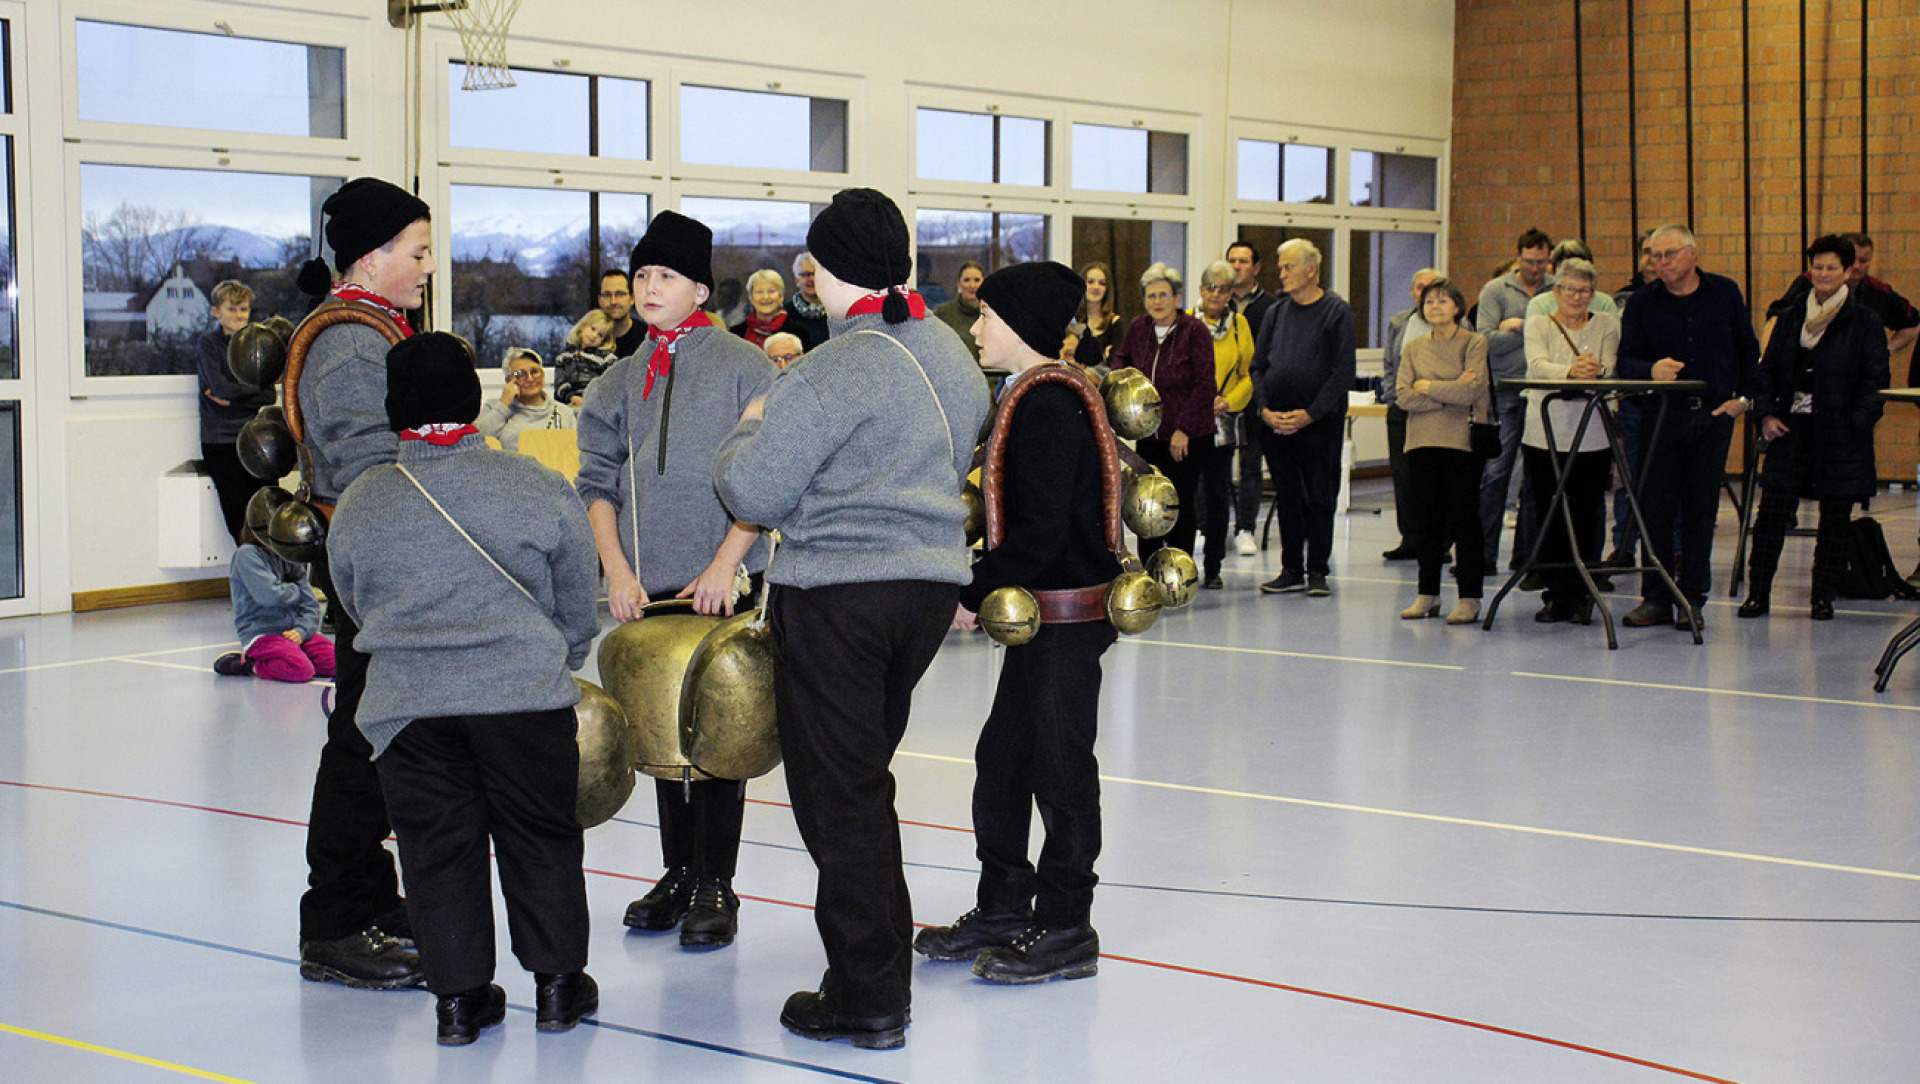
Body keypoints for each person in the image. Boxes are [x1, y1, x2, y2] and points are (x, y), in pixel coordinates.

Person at [713, 188, 990, 1050]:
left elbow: (754, 490)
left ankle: (868, 992)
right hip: (922, 594)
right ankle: (869, 970)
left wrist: (747, 427)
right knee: (862, 782)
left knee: (841, 801)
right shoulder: (946, 351)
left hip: (840, 596)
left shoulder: (830, 372)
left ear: (825, 271)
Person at [327, 333, 599, 1046]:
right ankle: (559, 987)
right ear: (471, 402)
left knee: (434, 850)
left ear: (395, 412)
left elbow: (354, 601)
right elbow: (577, 598)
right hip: (522, 698)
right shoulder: (536, 484)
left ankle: (458, 1001)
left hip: (410, 708)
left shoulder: (362, 501)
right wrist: (554, 654)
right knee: (541, 838)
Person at [915, 260, 1122, 984]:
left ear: (1022, 327)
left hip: (1066, 617)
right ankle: (1004, 903)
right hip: (1041, 617)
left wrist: (968, 592)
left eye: (986, 318)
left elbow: (1032, 535)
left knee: (1062, 768)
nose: (975, 328)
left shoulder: (1047, 403)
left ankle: (1068, 924)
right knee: (1003, 760)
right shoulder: (1031, 394)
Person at [575, 210, 776, 951]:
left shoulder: (744, 366)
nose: (648, 287)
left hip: (723, 581)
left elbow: (765, 474)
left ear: (700, 288)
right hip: (647, 586)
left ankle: (716, 880)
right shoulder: (619, 379)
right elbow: (594, 481)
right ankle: (677, 873)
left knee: (721, 731)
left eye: (665, 276)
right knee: (662, 727)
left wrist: (727, 562)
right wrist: (617, 571)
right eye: (642, 275)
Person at [287, 176, 434, 990]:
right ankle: (337, 919)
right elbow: (370, 467)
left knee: (381, 737)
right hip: (375, 562)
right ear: (372, 256)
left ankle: (371, 898)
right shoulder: (349, 342)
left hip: (385, 559)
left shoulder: (375, 328)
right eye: (416, 252)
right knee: (362, 742)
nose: (425, 267)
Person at [1616, 225, 1762, 631]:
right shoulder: (1643, 303)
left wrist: (1743, 401)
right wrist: (1651, 370)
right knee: (1656, 509)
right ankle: (1656, 597)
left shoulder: (1725, 293)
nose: (1660, 263)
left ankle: (1692, 598)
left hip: (1714, 416)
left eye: (1669, 254)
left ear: (1692, 254)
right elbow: (1625, 362)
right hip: (1662, 415)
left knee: (1702, 510)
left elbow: (1749, 352)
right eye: (1654, 255)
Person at [1739, 235, 1890, 621]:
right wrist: (1767, 415)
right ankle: (1758, 594)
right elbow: (1766, 371)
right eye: (1818, 267)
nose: (1824, 274)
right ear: (1810, 271)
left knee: (1834, 521)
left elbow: (1876, 382)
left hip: (1840, 436)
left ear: (1847, 272)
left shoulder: (1865, 322)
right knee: (1771, 515)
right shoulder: (1790, 318)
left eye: (1832, 268)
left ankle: (1823, 596)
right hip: (1789, 433)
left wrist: (1855, 424)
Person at [1250, 239, 1355, 598]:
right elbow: (1258, 366)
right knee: (1288, 496)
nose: (1281, 274)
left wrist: (1309, 415)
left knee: (1319, 497)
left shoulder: (1336, 312)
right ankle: (1291, 568)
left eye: (1287, 267)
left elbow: (1342, 374)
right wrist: (1264, 410)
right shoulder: (1275, 314)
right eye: (1280, 268)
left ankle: (1318, 570)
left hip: (1318, 424)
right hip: (1276, 423)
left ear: (1311, 269)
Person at [1520, 258, 1619, 624]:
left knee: (1586, 513)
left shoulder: (1607, 324)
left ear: (1593, 294)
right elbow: (1537, 366)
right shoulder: (1538, 324)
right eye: (1570, 289)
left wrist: (1596, 370)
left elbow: (1608, 366)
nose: (1577, 297)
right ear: (1556, 292)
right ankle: (1555, 594)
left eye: (1585, 290)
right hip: (1543, 436)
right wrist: (1571, 371)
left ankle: (1583, 594)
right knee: (1549, 513)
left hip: (1591, 436)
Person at [1397, 279, 1491, 625]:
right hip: (1421, 441)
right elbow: (1404, 395)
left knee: (1464, 518)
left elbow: (1471, 392)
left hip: (1462, 442)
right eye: (1429, 301)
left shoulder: (1474, 342)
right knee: (1427, 520)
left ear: (1457, 306)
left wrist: (1429, 387)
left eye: (1442, 300)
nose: (1435, 306)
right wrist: (1448, 389)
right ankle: (1427, 593)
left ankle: (1469, 596)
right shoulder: (1413, 348)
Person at [1110, 262, 1214, 568]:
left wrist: (1184, 429)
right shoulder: (1138, 329)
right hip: (1149, 436)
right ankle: (1151, 569)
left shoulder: (1195, 331)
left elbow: (1206, 384)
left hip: (1185, 437)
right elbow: (1122, 362)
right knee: (1147, 504)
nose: (1157, 301)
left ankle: (1179, 571)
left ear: (1177, 298)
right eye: (1150, 295)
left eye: (1163, 294)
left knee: (1177, 504)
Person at [1476, 228, 1555, 574]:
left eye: (1541, 262)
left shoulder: (1558, 289)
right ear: (1518, 256)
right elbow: (1486, 341)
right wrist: (1531, 330)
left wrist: (1519, 327)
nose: (1535, 269)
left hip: (1543, 391)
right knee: (1495, 474)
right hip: (1506, 388)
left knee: (1539, 478)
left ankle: (1529, 558)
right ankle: (1482, 557)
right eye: (1528, 261)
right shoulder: (1496, 290)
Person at [1190, 260, 1255, 589]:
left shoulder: (1240, 326)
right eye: (1210, 287)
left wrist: (1228, 401)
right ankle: (1182, 564)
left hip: (1222, 421)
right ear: (1200, 290)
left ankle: (1213, 565)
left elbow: (1248, 374)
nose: (1216, 294)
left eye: (1223, 289)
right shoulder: (1184, 323)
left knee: (1217, 495)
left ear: (1231, 293)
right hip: (1186, 422)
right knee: (1186, 493)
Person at [197, 279, 274, 544]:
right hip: (222, 443)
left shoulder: (256, 344)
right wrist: (247, 393)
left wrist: (233, 400)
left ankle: (276, 580)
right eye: (232, 309)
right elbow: (221, 388)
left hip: (256, 442)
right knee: (239, 521)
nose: (239, 315)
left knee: (270, 517)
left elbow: (269, 394)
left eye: (243, 309)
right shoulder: (209, 345)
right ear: (216, 312)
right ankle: (253, 581)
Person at [1380, 268, 1443, 562]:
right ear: (1412, 291)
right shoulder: (1399, 323)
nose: (1425, 294)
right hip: (1401, 410)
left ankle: (1439, 541)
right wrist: (1394, 396)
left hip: (1438, 413)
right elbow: (1390, 365)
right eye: (1420, 288)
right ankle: (1410, 537)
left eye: (1432, 289)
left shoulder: (1458, 325)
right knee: (1403, 477)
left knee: (1434, 478)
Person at [212, 538, 337, 683]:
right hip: (262, 634)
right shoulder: (246, 555)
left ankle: (290, 655)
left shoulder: (290, 555)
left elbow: (310, 604)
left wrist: (302, 631)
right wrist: (296, 588)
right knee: (301, 670)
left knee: (335, 664)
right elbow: (269, 596)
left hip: (294, 633)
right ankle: (249, 665)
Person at [1227, 241, 1279, 556]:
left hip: (1256, 398)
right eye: (1231, 260)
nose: (1236, 266)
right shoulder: (1216, 305)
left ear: (1256, 268)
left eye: (1243, 261)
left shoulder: (1271, 306)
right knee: (1215, 468)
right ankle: (1209, 528)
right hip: (1223, 399)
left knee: (1250, 466)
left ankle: (1246, 528)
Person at [476, 348, 575, 453]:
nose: (530, 379)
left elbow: (574, 453)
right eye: (521, 374)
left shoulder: (563, 412)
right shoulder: (494, 408)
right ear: (509, 380)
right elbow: (479, 442)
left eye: (534, 372)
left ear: (543, 375)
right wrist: (504, 404)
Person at [554, 309, 618, 407]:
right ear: (582, 327)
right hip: (569, 403)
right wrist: (572, 397)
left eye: (600, 335)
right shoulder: (564, 357)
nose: (594, 336)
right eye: (593, 329)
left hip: (596, 404)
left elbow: (612, 383)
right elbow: (560, 383)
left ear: (604, 340)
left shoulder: (606, 359)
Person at [1068, 261, 1122, 376]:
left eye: (1102, 283)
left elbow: (1116, 366)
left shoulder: (1115, 323)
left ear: (1107, 289)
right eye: (1090, 282)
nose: (1096, 287)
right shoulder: (1071, 320)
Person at [933, 260, 986, 364]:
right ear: (959, 284)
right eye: (967, 280)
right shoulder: (942, 314)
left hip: (992, 378)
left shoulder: (994, 315)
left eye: (977, 280)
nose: (972, 285)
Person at [782, 252, 831, 350]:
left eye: (815, 273)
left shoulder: (835, 312)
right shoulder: (784, 314)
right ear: (796, 281)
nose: (811, 279)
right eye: (806, 274)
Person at [729, 268, 789, 346]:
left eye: (771, 291)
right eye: (759, 292)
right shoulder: (736, 334)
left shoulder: (798, 332)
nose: (765, 297)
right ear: (750, 297)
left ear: (781, 296)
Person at [599, 269, 646, 358]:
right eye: (607, 295)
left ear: (632, 298)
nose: (613, 301)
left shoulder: (647, 339)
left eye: (620, 294)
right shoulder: (590, 338)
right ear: (600, 300)